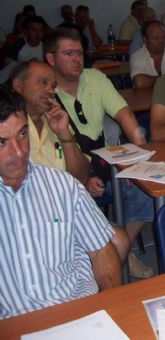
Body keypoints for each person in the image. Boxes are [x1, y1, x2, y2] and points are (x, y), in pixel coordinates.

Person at [0, 85, 121, 318]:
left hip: (79, 310)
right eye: (1, 142)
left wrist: (109, 305)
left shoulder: (63, 186)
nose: (18, 152)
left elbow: (102, 252)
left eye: (23, 134)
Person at [44, 27, 155, 279]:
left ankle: (121, 246)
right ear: (51, 58)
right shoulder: (44, 94)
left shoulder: (94, 78)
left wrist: (138, 155)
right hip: (65, 177)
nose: (77, 59)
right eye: (69, 53)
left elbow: (123, 113)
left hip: (101, 164)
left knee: (146, 185)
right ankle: (100, 256)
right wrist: (82, 180)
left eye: (80, 53)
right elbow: (49, 157)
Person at [9, 60, 130, 262]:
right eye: (42, 83)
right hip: (27, 215)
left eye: (53, 86)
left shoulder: (55, 120)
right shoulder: (9, 129)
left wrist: (64, 133)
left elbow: (80, 176)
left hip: (63, 209)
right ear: (18, 86)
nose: (50, 91)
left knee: (119, 241)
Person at [129, 20, 165, 88]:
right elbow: (139, 82)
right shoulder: (137, 57)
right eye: (156, 38)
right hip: (146, 97)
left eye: (163, 37)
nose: (161, 41)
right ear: (145, 40)